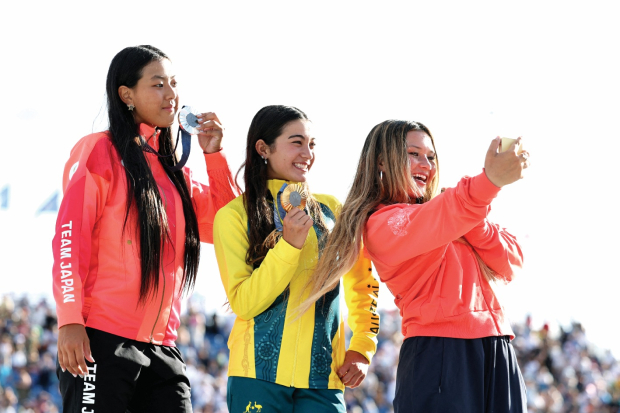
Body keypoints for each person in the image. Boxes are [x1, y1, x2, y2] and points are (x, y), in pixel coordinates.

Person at [51, 45, 238, 413]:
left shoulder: (176, 173)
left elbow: (229, 227)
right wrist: (70, 320)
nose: (171, 94)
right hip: (100, 341)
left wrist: (214, 156)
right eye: (158, 85)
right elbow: (69, 240)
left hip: (163, 349)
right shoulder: (99, 152)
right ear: (127, 95)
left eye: (174, 83)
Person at [301, 120, 530, 412]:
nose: (427, 165)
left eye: (431, 157)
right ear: (382, 160)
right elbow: (440, 215)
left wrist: (472, 222)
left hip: (499, 347)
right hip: (439, 352)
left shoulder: (452, 213)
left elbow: (512, 261)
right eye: (414, 154)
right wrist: (489, 182)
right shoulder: (379, 223)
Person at [213, 105, 379, 412]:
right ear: (263, 148)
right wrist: (288, 246)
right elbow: (244, 302)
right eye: (297, 142)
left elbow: (364, 285)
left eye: (312, 144)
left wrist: (362, 348)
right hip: (256, 377)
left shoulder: (334, 211)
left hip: (323, 383)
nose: (307, 153)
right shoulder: (233, 215)